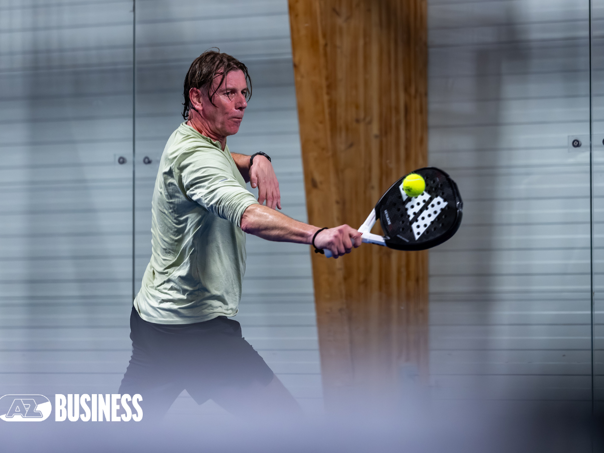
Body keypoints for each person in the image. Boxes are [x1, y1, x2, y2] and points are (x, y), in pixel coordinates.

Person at [119, 50, 362, 421]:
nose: (242, 102)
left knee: (124, 433)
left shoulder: (192, 138)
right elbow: (247, 215)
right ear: (197, 98)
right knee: (289, 427)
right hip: (194, 330)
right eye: (228, 93)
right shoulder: (195, 159)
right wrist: (319, 235)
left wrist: (256, 159)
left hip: (154, 320)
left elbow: (222, 159)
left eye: (244, 92)